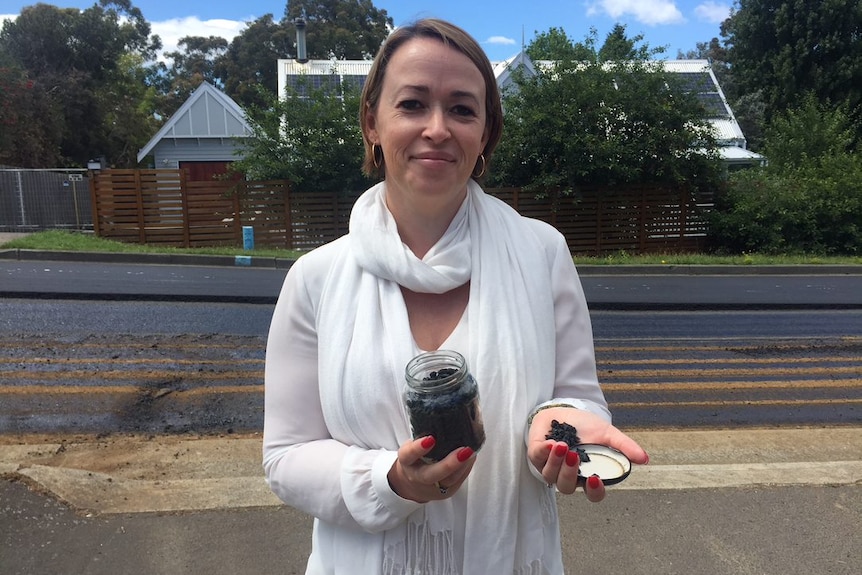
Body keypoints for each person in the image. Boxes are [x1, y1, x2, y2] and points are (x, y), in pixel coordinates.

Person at [263, 18, 649, 575]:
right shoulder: (315, 278)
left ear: (486, 132)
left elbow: (576, 397)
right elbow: (286, 458)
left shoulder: (542, 253)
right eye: (413, 104)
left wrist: (560, 428)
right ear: (372, 122)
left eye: (463, 109)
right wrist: (389, 481)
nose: (438, 128)